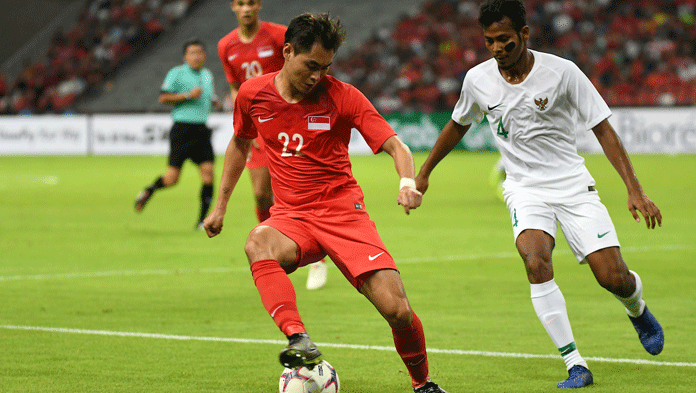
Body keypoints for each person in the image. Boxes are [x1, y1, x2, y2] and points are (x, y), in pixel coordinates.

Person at [415, 0, 664, 389]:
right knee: (535, 261)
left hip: (571, 184)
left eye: (505, 40)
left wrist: (635, 190)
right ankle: (575, 364)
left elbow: (603, 129)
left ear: (524, 34)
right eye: (490, 41)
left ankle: (638, 308)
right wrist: (424, 173)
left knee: (612, 278)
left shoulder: (562, 73)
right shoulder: (478, 79)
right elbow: (456, 125)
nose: (497, 49)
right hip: (524, 187)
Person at [204, 13, 447, 393]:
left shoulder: (342, 96)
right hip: (292, 217)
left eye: (326, 66)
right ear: (287, 52)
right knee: (258, 242)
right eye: (310, 65)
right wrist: (220, 206)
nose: (318, 75)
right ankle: (298, 338)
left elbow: (395, 144)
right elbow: (240, 142)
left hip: (343, 215)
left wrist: (406, 182)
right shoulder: (253, 94)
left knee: (397, 310)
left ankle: (423, 384)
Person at [218, 0, 328, 290]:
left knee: (298, 193)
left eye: (251, 2)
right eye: (241, 3)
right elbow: (235, 86)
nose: (246, 8)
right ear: (233, 7)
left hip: (289, 126)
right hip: (258, 127)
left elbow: (303, 68)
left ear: (258, 5)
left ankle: (317, 258)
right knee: (261, 194)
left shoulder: (279, 36)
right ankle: (274, 241)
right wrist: (245, 121)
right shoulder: (225, 45)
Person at [135, 39, 220, 229]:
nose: (196, 56)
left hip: (202, 130)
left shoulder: (207, 75)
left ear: (204, 55)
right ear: (185, 57)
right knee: (171, 179)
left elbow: (209, 95)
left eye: (199, 52)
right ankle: (150, 190)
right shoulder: (177, 73)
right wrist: (188, 95)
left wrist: (215, 102)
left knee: (209, 176)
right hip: (182, 129)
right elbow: (163, 97)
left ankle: (201, 221)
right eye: (192, 53)